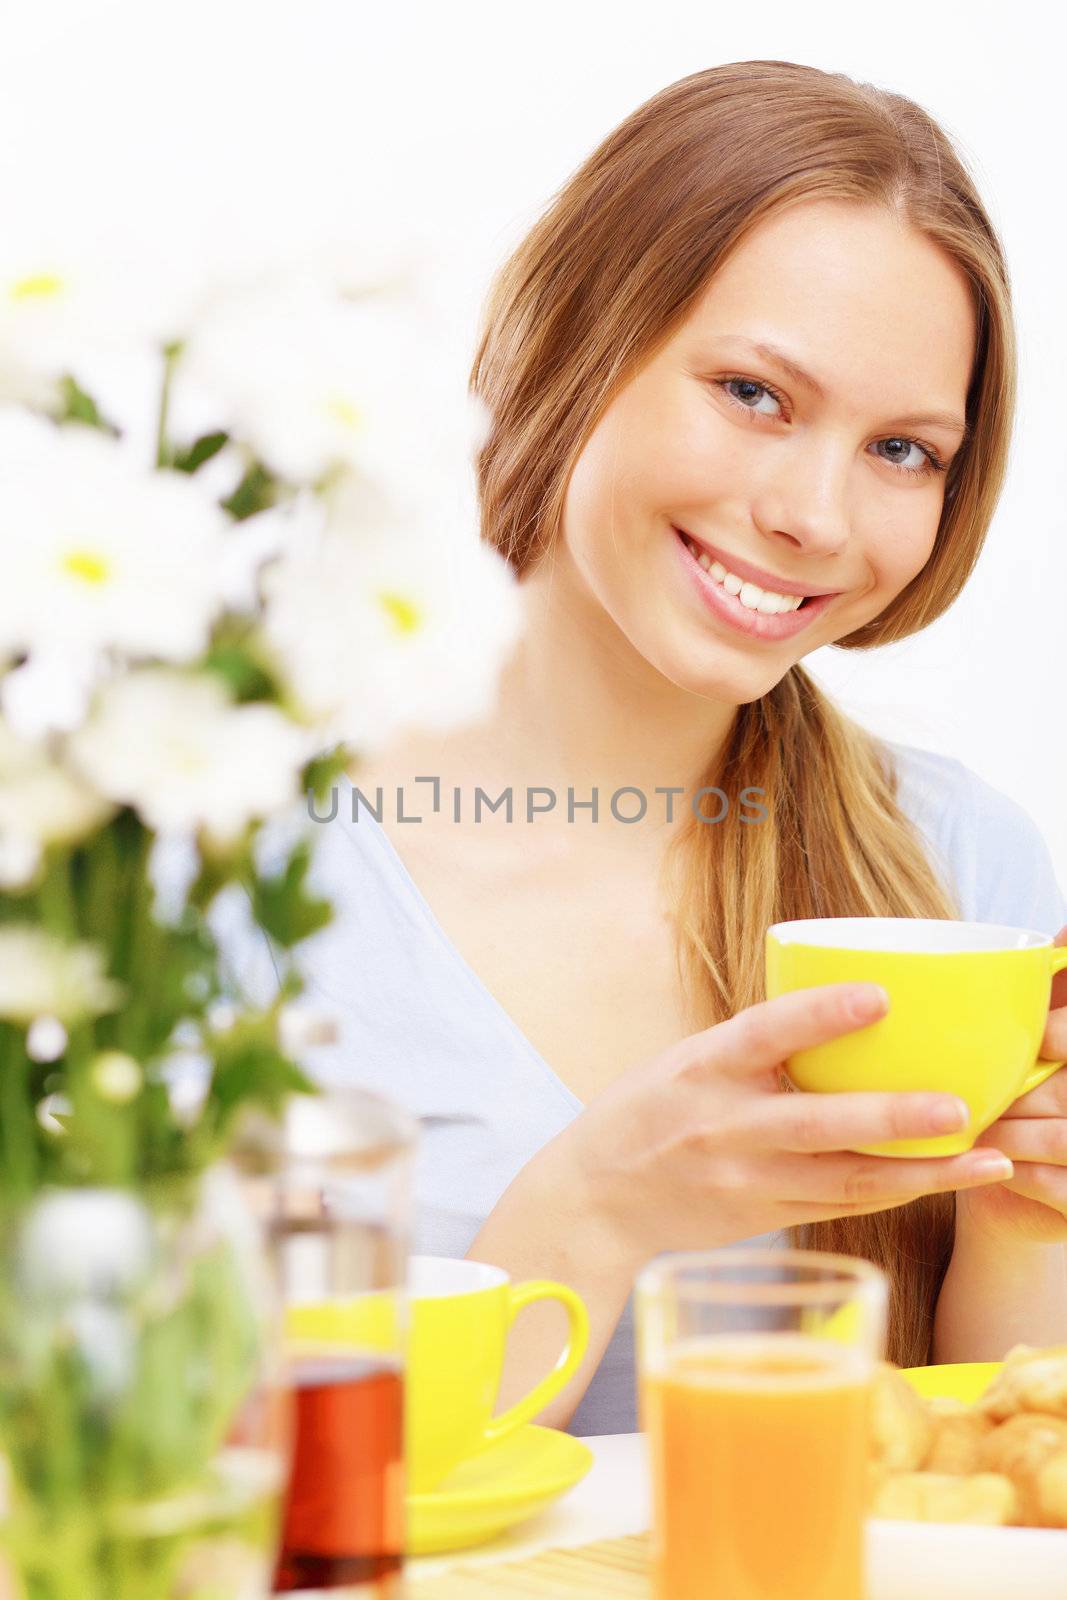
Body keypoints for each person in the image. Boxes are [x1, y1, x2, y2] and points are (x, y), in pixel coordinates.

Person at [222, 60, 1067, 1437]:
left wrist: (1033, 1213)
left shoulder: (961, 865)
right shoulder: (225, 858)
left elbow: (985, 1481)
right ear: (578, 334)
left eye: (905, 450)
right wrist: (596, 1207)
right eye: (754, 392)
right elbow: (157, 1504)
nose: (813, 513)